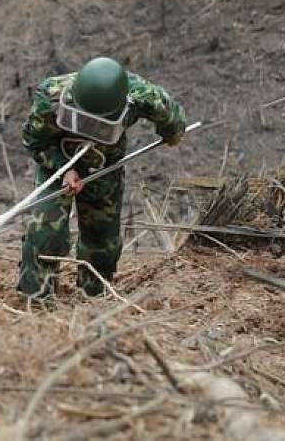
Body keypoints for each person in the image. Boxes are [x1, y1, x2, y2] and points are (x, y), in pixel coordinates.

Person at [19, 56, 186, 299]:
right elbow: (34, 142)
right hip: (57, 162)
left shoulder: (140, 95)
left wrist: (172, 134)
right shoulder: (50, 97)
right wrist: (64, 169)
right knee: (45, 232)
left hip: (104, 166)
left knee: (102, 240)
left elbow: (171, 115)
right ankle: (36, 300)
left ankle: (93, 298)